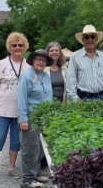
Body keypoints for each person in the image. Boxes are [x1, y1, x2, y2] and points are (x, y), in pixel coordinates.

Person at [0, 32, 31, 183]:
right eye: (14, 45)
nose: (17, 47)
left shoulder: (28, 66)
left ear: (25, 47)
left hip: (21, 112)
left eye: (20, 45)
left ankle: (11, 167)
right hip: (3, 109)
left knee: (16, 142)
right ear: (9, 47)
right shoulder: (2, 64)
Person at [18, 49, 53, 188]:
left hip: (44, 117)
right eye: (38, 59)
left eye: (43, 60)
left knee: (40, 148)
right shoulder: (27, 76)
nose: (41, 62)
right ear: (32, 60)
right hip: (30, 115)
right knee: (30, 148)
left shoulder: (45, 75)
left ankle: (36, 173)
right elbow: (21, 99)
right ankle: (27, 180)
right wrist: (23, 119)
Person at [40, 41, 68, 178]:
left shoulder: (64, 69)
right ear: (48, 53)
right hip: (47, 108)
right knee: (46, 137)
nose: (55, 53)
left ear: (60, 53)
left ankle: (57, 164)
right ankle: (44, 165)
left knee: (58, 136)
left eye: (57, 50)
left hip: (61, 108)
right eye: (52, 51)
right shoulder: (43, 68)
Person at [66, 25, 103, 101]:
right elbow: (71, 80)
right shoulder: (75, 56)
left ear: (96, 39)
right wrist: (77, 100)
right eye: (86, 37)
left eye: (92, 37)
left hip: (101, 97)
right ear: (82, 39)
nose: (90, 39)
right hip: (82, 98)